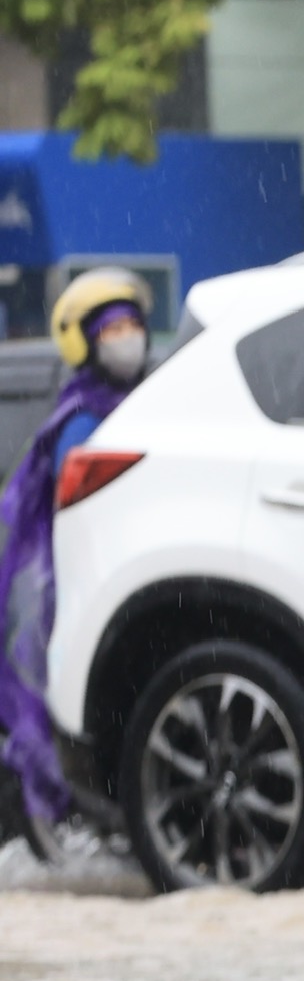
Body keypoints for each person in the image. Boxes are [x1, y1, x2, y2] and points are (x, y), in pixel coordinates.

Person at [0, 268, 151, 838]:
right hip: (75, 591)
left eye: (132, 324)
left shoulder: (151, 402)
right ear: (84, 342)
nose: (127, 337)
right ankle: (70, 818)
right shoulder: (80, 420)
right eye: (112, 329)